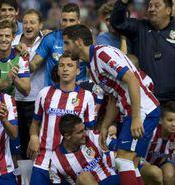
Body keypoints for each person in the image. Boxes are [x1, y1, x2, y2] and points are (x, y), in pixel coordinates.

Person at [62, 24, 161, 185]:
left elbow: (132, 80)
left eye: (67, 43)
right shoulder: (92, 66)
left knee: (123, 160)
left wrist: (136, 117)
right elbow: (113, 97)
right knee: (131, 162)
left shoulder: (102, 54)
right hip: (132, 112)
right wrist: (105, 126)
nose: (65, 48)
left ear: (78, 42)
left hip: (142, 110)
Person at [27, 54, 96, 185]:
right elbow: (35, 123)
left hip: (70, 162)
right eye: (62, 65)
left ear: (77, 70)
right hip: (43, 159)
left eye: (70, 65)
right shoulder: (44, 93)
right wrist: (33, 136)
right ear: (57, 70)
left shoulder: (86, 97)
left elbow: (89, 132)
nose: (65, 69)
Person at [110, 0, 175, 103]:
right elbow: (118, 23)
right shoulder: (139, 27)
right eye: (150, 6)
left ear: (168, 10)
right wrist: (122, 2)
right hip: (146, 101)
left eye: (157, 6)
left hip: (172, 103)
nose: (152, 9)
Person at [11, 9, 45, 159]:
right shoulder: (13, 41)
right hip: (15, 100)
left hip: (37, 101)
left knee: (36, 145)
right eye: (25, 22)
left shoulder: (46, 41)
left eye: (32, 22)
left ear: (40, 25)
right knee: (18, 146)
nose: (28, 26)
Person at [49, 114, 119, 185]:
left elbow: (118, 146)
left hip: (112, 180)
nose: (85, 134)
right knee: (84, 177)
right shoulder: (56, 161)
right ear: (67, 136)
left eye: (84, 129)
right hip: (86, 181)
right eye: (80, 132)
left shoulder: (93, 136)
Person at [28, 3, 87, 86]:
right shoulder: (50, 39)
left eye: (71, 20)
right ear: (60, 20)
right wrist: (21, 61)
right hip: (53, 94)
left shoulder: (86, 42)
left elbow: (93, 67)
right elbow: (34, 65)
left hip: (79, 95)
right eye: (64, 20)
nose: (67, 24)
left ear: (79, 21)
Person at [145, 101, 175, 185]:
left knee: (169, 175)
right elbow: (136, 155)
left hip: (162, 163)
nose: (174, 124)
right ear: (160, 120)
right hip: (143, 163)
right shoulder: (150, 132)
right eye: (170, 120)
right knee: (155, 173)